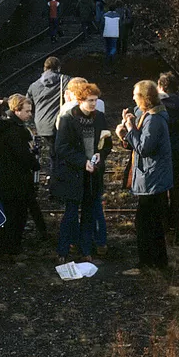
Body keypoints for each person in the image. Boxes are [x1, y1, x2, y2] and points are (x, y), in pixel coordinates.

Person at [51, 82, 111, 262]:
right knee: (70, 213)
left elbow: (107, 142)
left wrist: (101, 154)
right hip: (74, 173)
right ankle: (63, 250)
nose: (93, 104)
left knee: (89, 213)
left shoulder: (99, 117)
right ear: (80, 100)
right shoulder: (68, 119)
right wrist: (82, 161)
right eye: (89, 100)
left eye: (95, 100)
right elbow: (61, 147)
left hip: (93, 173)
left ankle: (86, 250)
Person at [116, 80, 173, 269]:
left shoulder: (154, 120)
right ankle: (155, 262)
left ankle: (149, 262)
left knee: (147, 221)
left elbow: (144, 148)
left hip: (152, 178)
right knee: (151, 221)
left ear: (143, 98)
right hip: (152, 177)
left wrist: (131, 128)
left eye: (135, 94)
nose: (133, 97)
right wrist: (126, 131)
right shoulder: (151, 116)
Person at [0, 94, 46, 257]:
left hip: (8, 179)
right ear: (16, 111)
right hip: (16, 180)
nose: (30, 114)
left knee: (10, 216)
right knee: (16, 216)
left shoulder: (6, 126)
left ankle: (6, 249)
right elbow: (23, 155)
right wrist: (34, 163)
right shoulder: (15, 130)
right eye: (27, 111)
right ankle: (10, 250)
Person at [27, 56, 71, 177]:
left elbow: (28, 104)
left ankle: (54, 175)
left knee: (53, 152)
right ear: (58, 68)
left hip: (42, 125)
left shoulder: (34, 85)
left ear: (44, 68)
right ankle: (58, 178)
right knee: (60, 154)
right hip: (59, 124)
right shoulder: (65, 80)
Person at [158, 72, 179, 242]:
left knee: (160, 191)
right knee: (177, 191)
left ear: (160, 86)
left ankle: (163, 225)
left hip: (162, 153)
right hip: (178, 152)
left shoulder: (157, 106)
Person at [102, 4, 120, 72]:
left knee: (107, 46)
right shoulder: (118, 15)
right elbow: (120, 24)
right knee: (113, 47)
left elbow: (102, 24)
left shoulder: (105, 15)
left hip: (106, 33)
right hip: (115, 33)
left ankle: (107, 59)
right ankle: (112, 58)